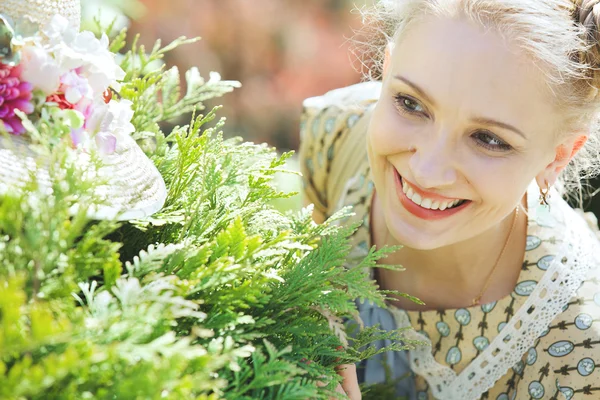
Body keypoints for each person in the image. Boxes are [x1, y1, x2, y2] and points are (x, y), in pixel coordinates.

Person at [299, 1, 600, 399]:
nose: (427, 171)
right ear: (387, 71)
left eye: (489, 139)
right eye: (410, 103)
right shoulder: (338, 138)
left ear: (558, 157)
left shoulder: (579, 355)